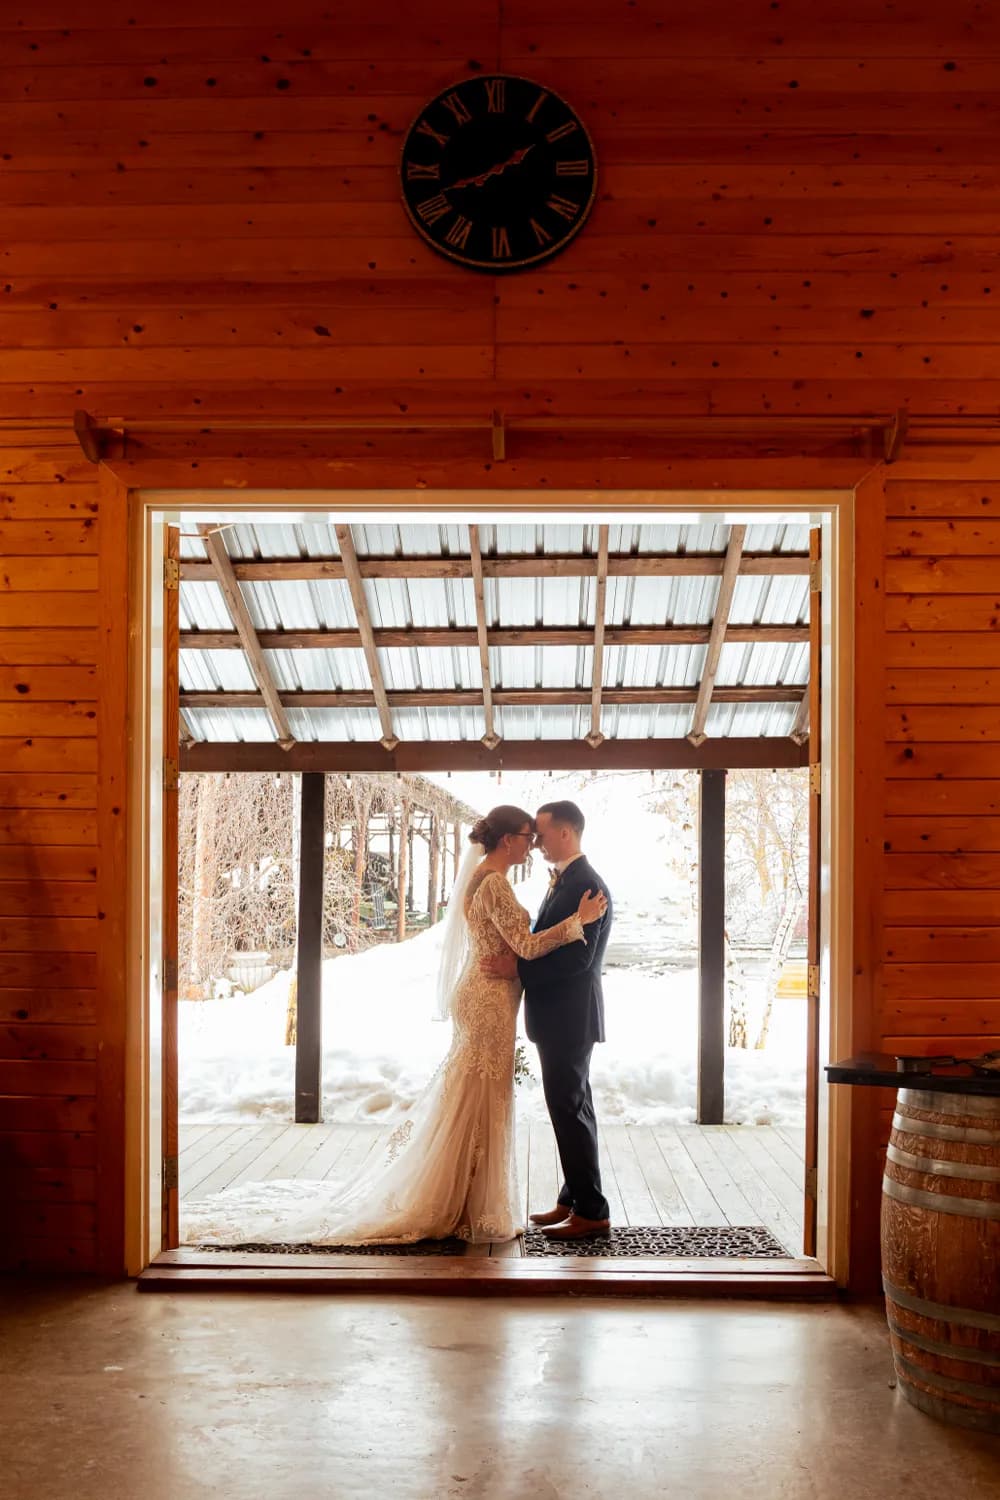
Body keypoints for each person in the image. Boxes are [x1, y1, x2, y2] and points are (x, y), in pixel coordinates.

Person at [180, 805, 607, 1247]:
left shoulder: (482, 878)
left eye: (537, 835)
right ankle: (469, 1200)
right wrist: (578, 922)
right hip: (488, 999)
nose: (532, 843)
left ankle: (470, 1194)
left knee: (473, 1095)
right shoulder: (495, 883)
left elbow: (523, 945)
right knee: (482, 1096)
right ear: (507, 841)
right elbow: (525, 944)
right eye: (526, 836)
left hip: (482, 994)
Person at [484, 799, 613, 1241]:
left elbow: (579, 960)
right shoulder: (566, 880)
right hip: (559, 1016)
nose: (536, 843)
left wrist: (517, 969)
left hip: (570, 1016)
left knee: (569, 1109)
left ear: (565, 833)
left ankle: (592, 1212)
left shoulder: (588, 885)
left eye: (540, 834)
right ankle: (573, 1197)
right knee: (573, 1107)